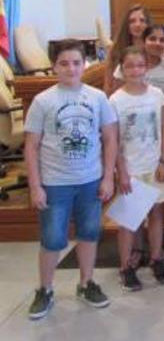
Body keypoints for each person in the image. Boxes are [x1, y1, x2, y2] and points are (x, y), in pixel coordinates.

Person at [25, 40, 118, 320]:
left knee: (89, 233)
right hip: (55, 183)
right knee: (53, 238)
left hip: (90, 180)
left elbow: (110, 138)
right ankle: (45, 288)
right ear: (54, 65)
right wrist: (35, 185)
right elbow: (31, 146)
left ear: (84, 64)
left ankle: (86, 282)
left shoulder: (98, 98)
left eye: (77, 62)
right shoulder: (43, 101)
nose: (71, 68)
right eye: (64, 63)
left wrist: (108, 177)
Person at [110, 46, 164, 292]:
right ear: (122, 70)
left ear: (146, 67)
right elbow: (112, 139)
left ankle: (156, 258)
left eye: (140, 65)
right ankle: (126, 266)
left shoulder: (157, 95)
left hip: (154, 164)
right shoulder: (116, 100)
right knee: (129, 220)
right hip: (131, 168)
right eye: (130, 66)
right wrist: (121, 171)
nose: (135, 70)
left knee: (157, 213)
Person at [104, 4, 151, 94]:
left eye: (142, 20)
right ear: (127, 25)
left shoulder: (154, 49)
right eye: (132, 21)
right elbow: (108, 85)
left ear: (148, 24)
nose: (137, 25)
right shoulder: (116, 50)